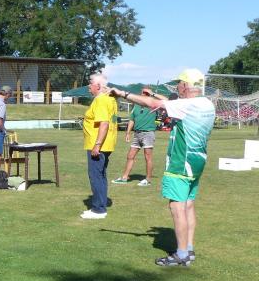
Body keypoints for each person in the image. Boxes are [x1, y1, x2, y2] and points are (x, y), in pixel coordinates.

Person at [108, 69, 215, 267]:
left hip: (181, 162)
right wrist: (159, 100)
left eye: (179, 84)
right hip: (197, 160)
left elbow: (152, 103)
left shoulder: (186, 105)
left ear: (185, 85)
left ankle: (181, 254)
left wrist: (122, 93)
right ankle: (189, 249)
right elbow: (169, 103)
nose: (177, 87)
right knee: (189, 205)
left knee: (177, 206)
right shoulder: (206, 103)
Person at [80, 74, 118, 219]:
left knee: (96, 175)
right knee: (100, 175)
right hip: (107, 144)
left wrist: (97, 144)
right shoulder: (110, 99)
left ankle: (98, 209)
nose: (88, 86)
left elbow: (104, 123)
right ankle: (100, 205)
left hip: (98, 145)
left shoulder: (101, 100)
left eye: (90, 83)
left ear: (98, 86)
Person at [111, 92, 160, 186]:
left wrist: (152, 94)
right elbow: (132, 120)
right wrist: (128, 132)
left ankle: (148, 179)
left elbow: (162, 101)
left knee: (148, 157)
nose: (143, 95)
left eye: (145, 93)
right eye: (142, 93)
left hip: (148, 133)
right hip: (137, 134)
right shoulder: (136, 106)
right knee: (130, 156)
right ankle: (124, 177)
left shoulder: (152, 104)